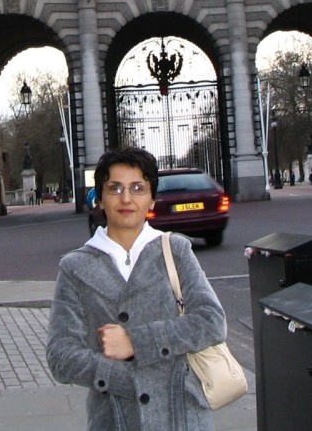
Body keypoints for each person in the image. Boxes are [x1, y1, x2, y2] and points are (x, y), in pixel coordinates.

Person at [47, 147, 227, 430]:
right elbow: (60, 355)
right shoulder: (75, 267)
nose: (127, 198)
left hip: (182, 415)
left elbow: (211, 322)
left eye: (138, 188)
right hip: (115, 417)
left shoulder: (175, 250)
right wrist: (120, 377)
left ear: (152, 200)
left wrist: (136, 342)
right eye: (115, 188)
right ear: (100, 199)